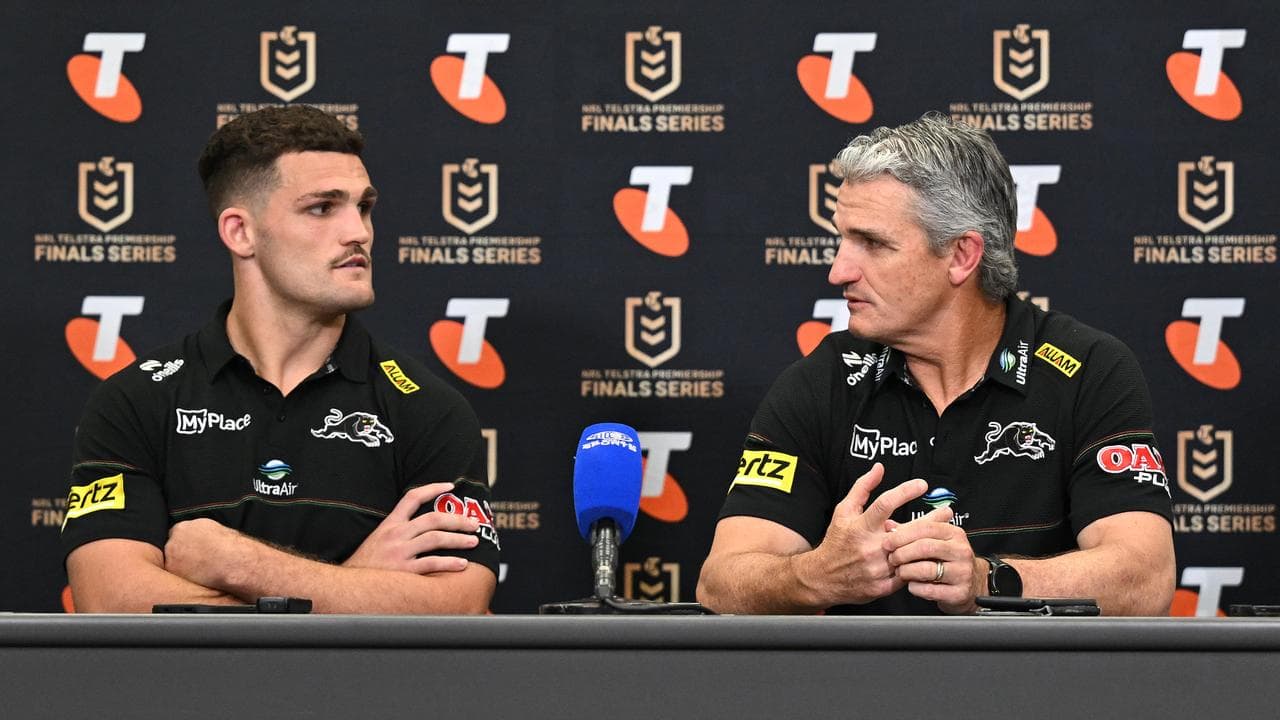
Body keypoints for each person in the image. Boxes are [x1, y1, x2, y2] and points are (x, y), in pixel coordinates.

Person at [697, 113, 1174, 615]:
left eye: (873, 243)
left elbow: (1147, 577)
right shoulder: (824, 381)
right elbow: (721, 583)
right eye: (842, 239)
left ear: (961, 256)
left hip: (1033, 690)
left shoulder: (1088, 371)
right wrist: (814, 577)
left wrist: (990, 581)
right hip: (860, 693)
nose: (839, 270)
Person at [62, 105, 498, 613]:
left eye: (364, 207)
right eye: (322, 208)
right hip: (188, 696)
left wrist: (235, 562)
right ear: (240, 232)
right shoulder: (136, 401)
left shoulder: (427, 410)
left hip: (371, 697)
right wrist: (359, 582)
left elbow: (460, 607)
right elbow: (112, 602)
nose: (358, 231)